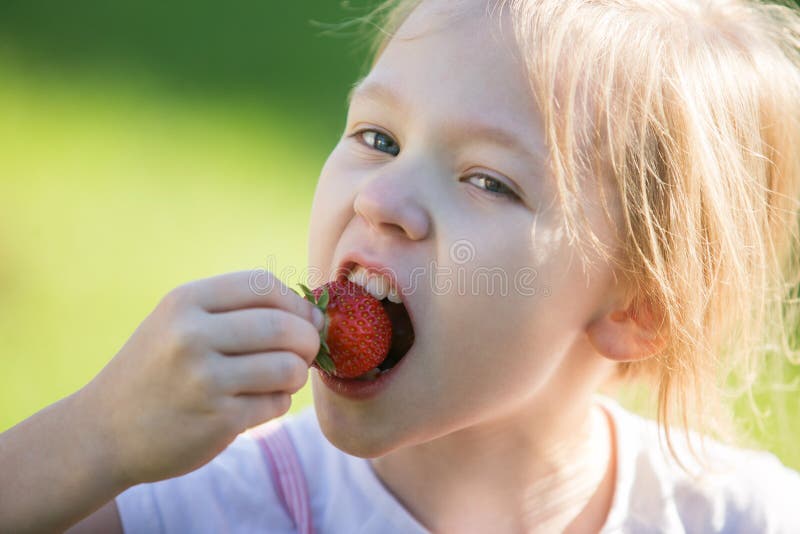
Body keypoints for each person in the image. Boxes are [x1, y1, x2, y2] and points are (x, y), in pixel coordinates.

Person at [3, 0, 800, 532]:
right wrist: (95, 436)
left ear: (638, 310)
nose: (381, 198)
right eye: (376, 138)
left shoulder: (742, 516)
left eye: (488, 181)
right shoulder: (208, 503)